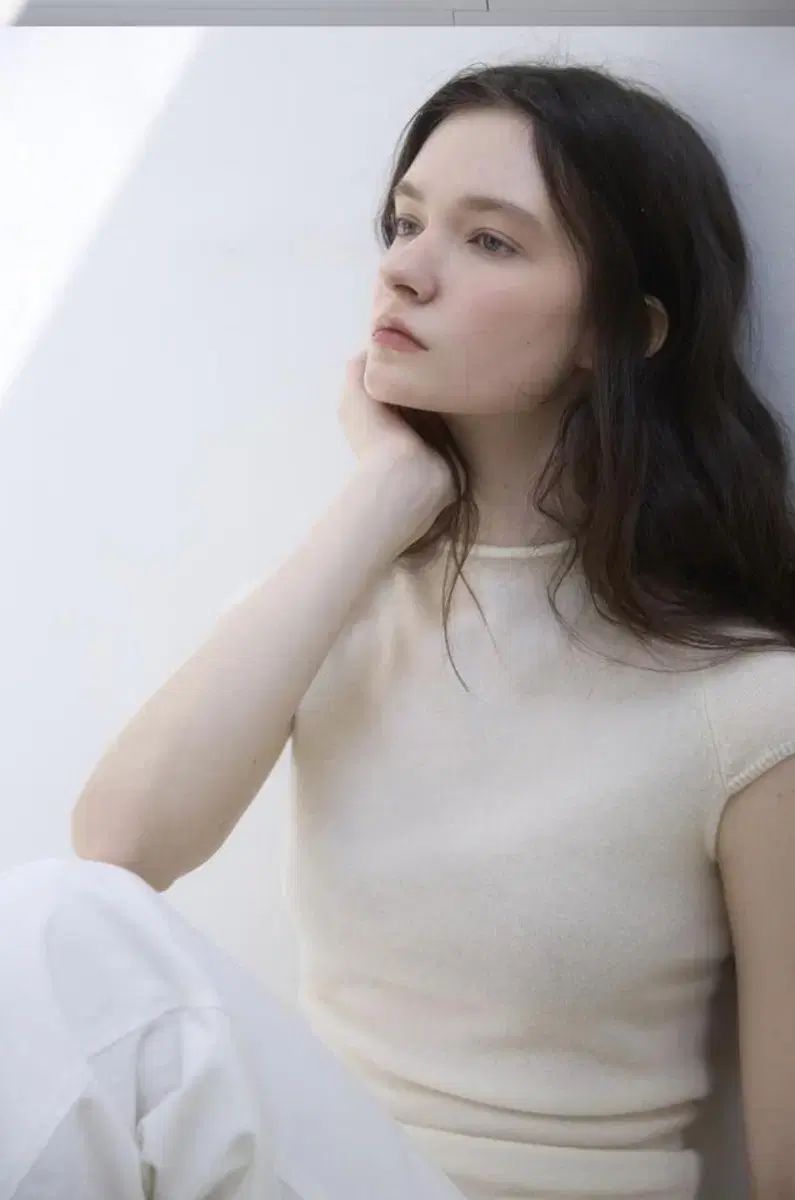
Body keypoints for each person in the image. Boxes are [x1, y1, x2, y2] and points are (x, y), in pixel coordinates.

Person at [3, 58, 795, 1200]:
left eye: (490, 241)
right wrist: (386, 493)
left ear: (620, 332)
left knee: (52, 930)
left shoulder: (749, 706)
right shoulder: (335, 597)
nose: (405, 269)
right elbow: (122, 847)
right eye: (406, 222)